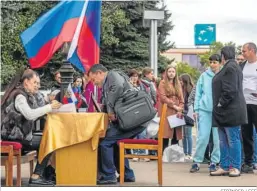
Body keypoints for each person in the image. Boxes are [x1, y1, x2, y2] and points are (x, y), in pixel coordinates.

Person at [1, 69, 62, 185]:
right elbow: (30, 115)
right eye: (35, 83)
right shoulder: (19, 96)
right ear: (26, 82)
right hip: (13, 136)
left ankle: (45, 172)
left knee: (46, 137)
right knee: (49, 140)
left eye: (38, 83)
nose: (37, 86)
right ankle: (36, 176)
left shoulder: (26, 94)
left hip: (20, 135)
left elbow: (35, 112)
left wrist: (51, 108)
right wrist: (49, 107)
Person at [88, 64, 146, 185]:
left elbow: (118, 87)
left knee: (105, 143)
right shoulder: (108, 82)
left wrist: (109, 110)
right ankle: (127, 174)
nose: (93, 83)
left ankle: (108, 175)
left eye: (94, 79)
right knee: (114, 142)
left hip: (133, 120)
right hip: (133, 120)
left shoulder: (112, 75)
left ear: (99, 73)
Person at [210, 46, 247, 177]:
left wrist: (220, 103)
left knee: (233, 140)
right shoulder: (230, 66)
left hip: (230, 110)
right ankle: (225, 166)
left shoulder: (231, 67)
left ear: (224, 55)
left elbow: (230, 89)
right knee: (223, 140)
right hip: (224, 112)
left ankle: (235, 166)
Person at [190, 54, 221, 173]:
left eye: (215, 62)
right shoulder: (203, 76)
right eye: (211, 62)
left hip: (218, 111)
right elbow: (198, 93)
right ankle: (196, 161)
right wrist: (196, 110)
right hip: (204, 110)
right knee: (202, 137)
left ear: (219, 63)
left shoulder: (222, 75)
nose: (213, 64)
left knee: (217, 139)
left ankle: (214, 162)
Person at [157, 65, 184, 152]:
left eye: (173, 72)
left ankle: (174, 155)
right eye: (169, 71)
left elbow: (181, 99)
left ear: (175, 73)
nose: (171, 73)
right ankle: (163, 154)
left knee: (176, 134)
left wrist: (180, 108)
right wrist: (174, 106)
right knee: (165, 133)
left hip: (177, 111)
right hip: (166, 109)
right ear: (166, 73)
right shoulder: (162, 83)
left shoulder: (178, 83)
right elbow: (163, 97)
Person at [240, 42, 257, 173]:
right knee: (246, 134)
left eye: (244, 51)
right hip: (244, 104)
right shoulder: (242, 66)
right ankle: (248, 163)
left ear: (252, 50)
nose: (242, 53)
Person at [128, 69, 151, 162]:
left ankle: (143, 152)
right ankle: (135, 153)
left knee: (142, 132)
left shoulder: (142, 86)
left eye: (136, 76)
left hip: (142, 111)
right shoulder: (127, 86)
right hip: (132, 111)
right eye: (132, 76)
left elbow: (147, 96)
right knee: (135, 133)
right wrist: (130, 85)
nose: (134, 78)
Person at [179, 74, 194, 160]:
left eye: (181, 80)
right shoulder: (182, 90)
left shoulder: (190, 90)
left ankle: (189, 153)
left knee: (188, 134)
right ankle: (185, 152)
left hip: (189, 114)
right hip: (183, 113)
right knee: (184, 135)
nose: (180, 82)